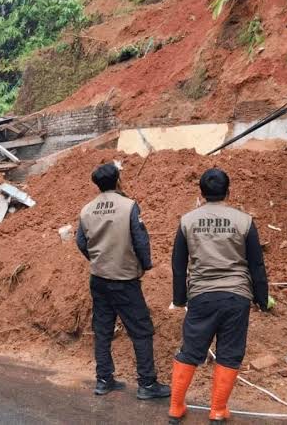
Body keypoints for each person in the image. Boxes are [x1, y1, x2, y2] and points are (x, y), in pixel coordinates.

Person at [168, 168, 269, 424]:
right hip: (236, 296)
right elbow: (256, 264)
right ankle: (217, 410)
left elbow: (178, 265)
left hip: (202, 296)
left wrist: (180, 299)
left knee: (191, 351)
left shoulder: (187, 221)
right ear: (228, 191)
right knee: (229, 352)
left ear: (201, 193)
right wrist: (262, 298)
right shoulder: (244, 221)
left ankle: (176, 407)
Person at [76, 163, 171, 400]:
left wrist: (96, 258)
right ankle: (147, 384)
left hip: (98, 279)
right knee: (141, 331)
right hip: (125, 279)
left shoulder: (87, 210)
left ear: (97, 184)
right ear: (118, 180)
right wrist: (145, 264)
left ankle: (103, 380)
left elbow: (80, 242)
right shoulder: (129, 206)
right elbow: (140, 240)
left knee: (102, 330)